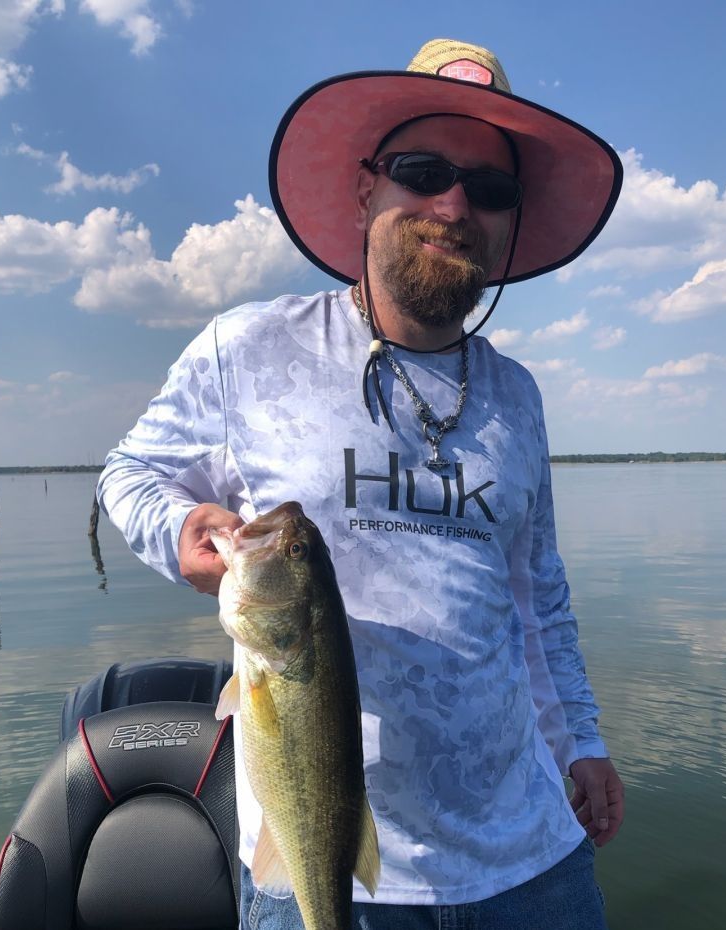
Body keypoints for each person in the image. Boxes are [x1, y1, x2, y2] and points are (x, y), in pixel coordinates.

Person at [98, 38, 625, 930]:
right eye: (423, 171)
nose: (455, 204)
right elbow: (132, 472)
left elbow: (541, 597)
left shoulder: (519, 397)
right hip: (322, 862)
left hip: (533, 857)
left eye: (490, 189)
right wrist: (178, 526)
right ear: (364, 189)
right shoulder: (249, 349)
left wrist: (585, 741)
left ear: (508, 223)